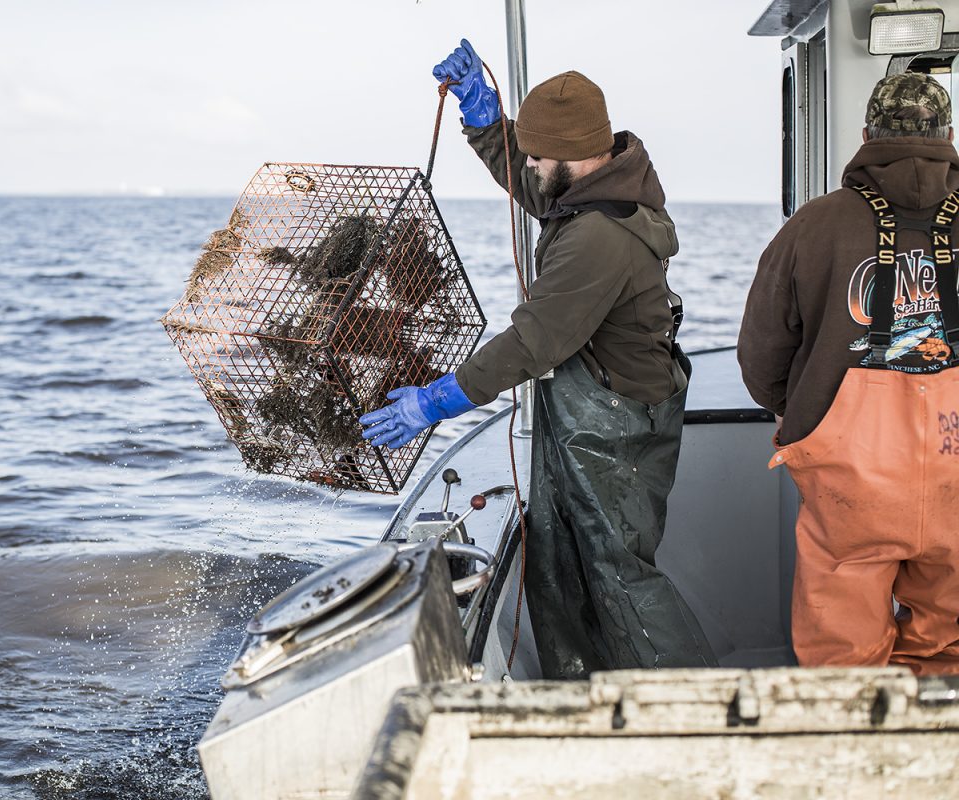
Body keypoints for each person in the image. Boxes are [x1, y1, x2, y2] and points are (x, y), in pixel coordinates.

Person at [359, 39, 716, 678]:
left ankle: (695, 708)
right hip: (585, 415)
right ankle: (580, 697)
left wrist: (438, 400)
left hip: (616, 431)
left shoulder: (599, 236)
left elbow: (532, 342)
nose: (529, 163)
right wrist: (483, 117)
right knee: (555, 559)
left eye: (538, 153)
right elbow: (530, 179)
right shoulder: (588, 185)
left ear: (576, 156)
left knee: (617, 576)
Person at [739, 72, 959, 675]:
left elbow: (761, 350)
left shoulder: (814, 225)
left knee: (843, 658)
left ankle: (852, 753)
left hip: (850, 481)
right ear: (948, 135)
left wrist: (795, 410)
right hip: (956, 469)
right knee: (949, 644)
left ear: (866, 135)